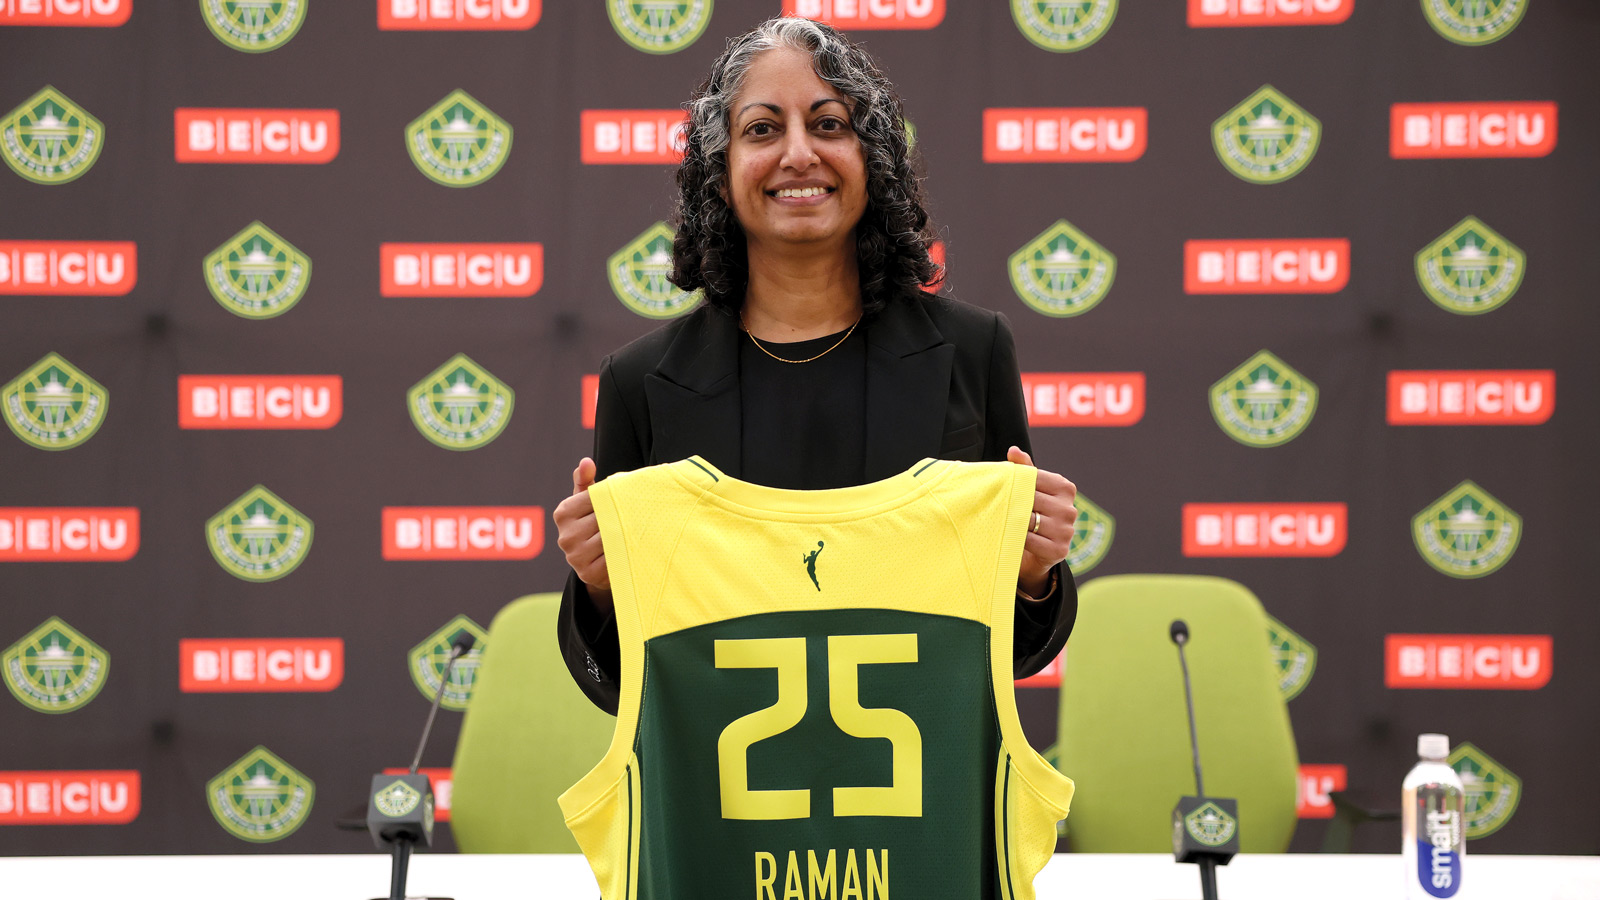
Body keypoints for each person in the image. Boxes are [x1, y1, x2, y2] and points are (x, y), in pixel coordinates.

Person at [554, 16, 1080, 715]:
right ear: (719, 174)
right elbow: (622, 688)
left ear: (874, 160)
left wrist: (1034, 577)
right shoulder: (639, 383)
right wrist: (598, 588)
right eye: (763, 130)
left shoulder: (974, 352)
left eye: (829, 124)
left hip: (921, 795)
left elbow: (1007, 657)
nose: (799, 154)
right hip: (726, 803)